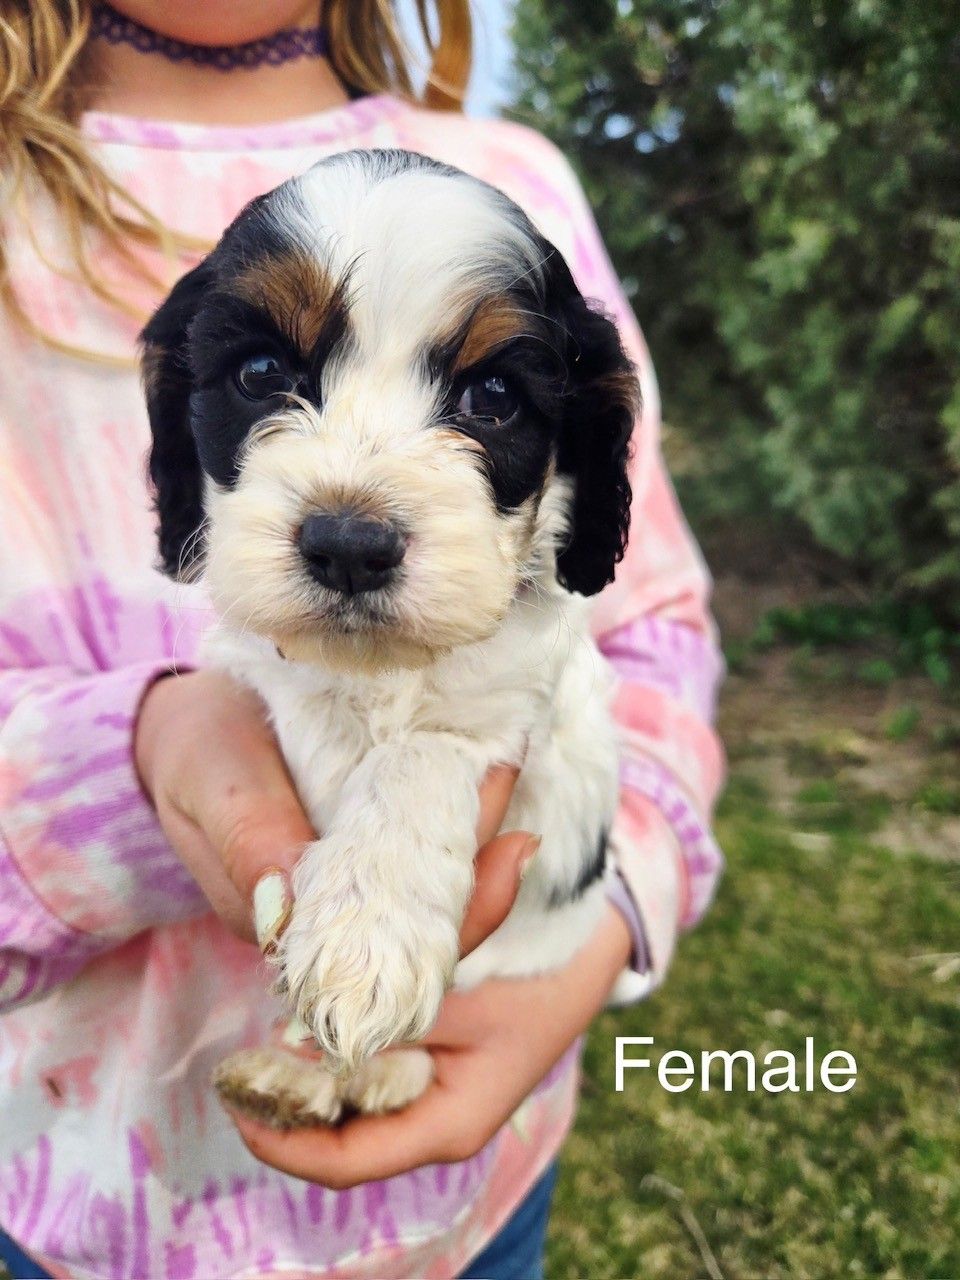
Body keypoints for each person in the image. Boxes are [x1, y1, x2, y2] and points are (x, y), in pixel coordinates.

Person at [0, 2, 725, 1276]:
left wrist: (592, 939)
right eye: (267, 379)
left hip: (474, 1188)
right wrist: (143, 759)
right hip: (65, 1192)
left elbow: (648, 639)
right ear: (177, 425)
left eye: (492, 394)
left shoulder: (521, 179)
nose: (350, 514)